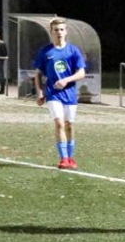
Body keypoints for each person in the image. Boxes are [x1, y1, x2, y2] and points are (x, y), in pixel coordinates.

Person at [32, 17, 87, 169]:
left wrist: (66, 80)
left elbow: (81, 73)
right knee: (59, 123)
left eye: (62, 29)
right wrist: (39, 92)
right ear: (51, 32)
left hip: (70, 93)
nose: (59, 32)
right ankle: (63, 159)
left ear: (66, 31)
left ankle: (70, 157)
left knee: (69, 125)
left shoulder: (73, 51)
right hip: (53, 93)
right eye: (56, 30)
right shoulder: (45, 52)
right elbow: (37, 74)